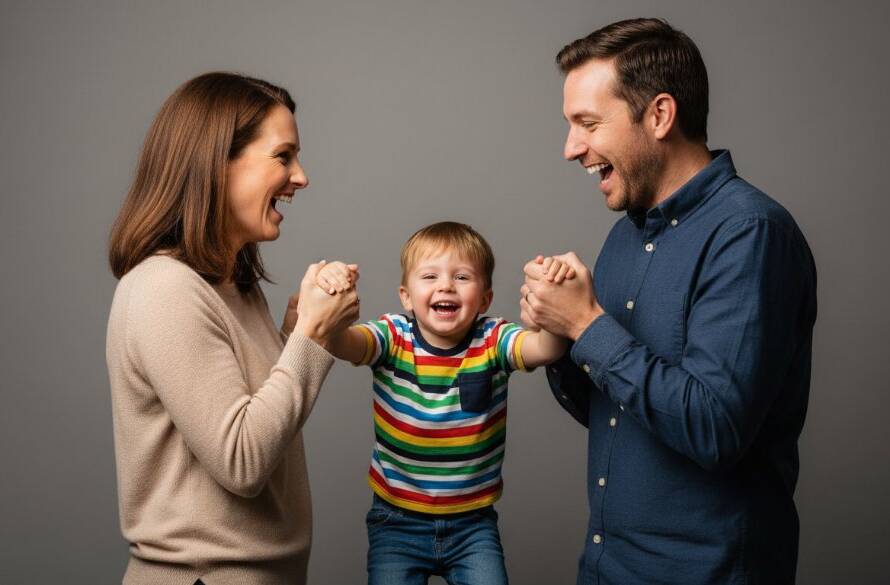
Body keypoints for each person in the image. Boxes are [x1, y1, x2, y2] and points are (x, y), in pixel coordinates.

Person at [519, 18, 817, 585]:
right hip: (609, 568)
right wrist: (560, 338)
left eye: (587, 123)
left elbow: (713, 429)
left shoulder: (750, 234)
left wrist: (588, 324)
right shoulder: (625, 236)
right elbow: (616, 415)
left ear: (659, 115)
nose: (570, 149)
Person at [106, 72, 359, 585]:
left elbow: (259, 415)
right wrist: (309, 338)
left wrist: (294, 336)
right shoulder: (164, 289)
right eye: (283, 156)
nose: (301, 177)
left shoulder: (235, 284)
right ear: (216, 164)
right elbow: (242, 459)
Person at [313, 221, 568, 585]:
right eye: (429, 276)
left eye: (462, 277)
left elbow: (544, 349)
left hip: (473, 524)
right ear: (405, 295)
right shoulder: (392, 335)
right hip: (396, 520)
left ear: (485, 299)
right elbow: (343, 343)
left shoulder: (493, 338)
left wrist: (553, 310)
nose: (446, 285)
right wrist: (331, 295)